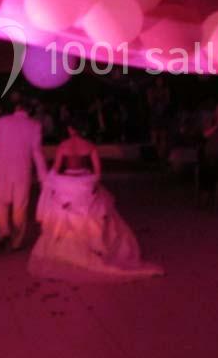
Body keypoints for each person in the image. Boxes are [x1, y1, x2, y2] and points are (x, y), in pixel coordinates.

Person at [28, 115, 163, 282]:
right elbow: (97, 172)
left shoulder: (63, 145)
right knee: (95, 214)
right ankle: (92, 247)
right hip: (85, 182)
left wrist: (51, 182)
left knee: (63, 213)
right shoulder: (90, 146)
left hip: (67, 183)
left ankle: (66, 250)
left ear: (71, 129)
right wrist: (90, 183)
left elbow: (56, 168)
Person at [0, 96, 48, 254]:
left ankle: (4, 232)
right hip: (22, 172)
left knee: (0, 204)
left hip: (2, 170)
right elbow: (37, 153)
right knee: (20, 207)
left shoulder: (2, 122)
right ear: (29, 110)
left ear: (16, 108)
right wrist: (43, 177)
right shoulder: (34, 125)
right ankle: (16, 241)